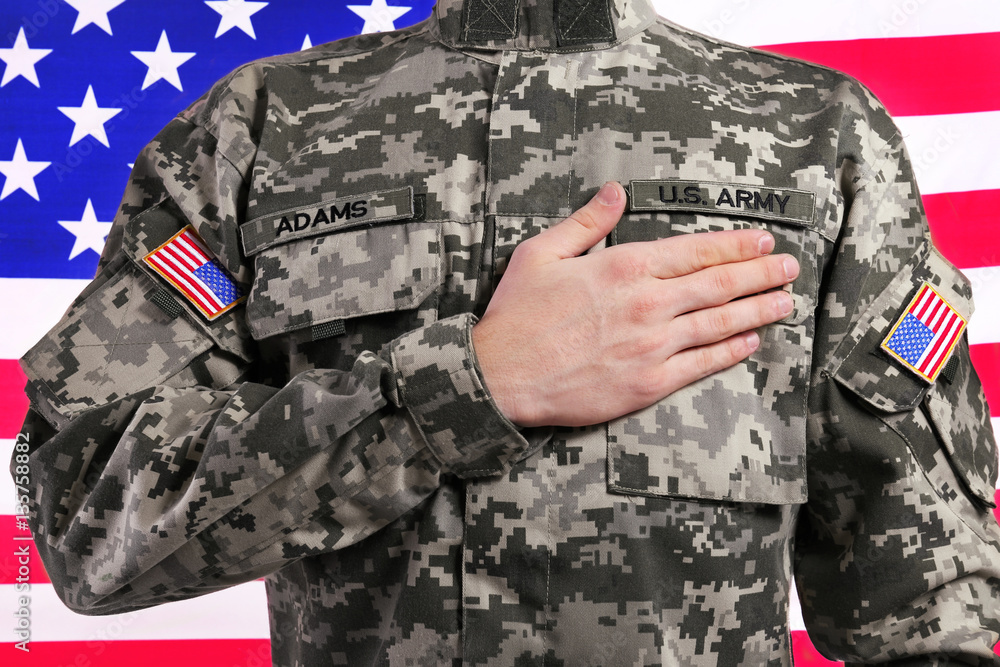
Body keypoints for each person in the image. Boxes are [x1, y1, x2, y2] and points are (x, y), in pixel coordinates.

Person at [13, 0, 1000, 664]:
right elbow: (85, 523)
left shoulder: (813, 132)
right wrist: (466, 385)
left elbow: (927, 595)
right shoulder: (263, 127)